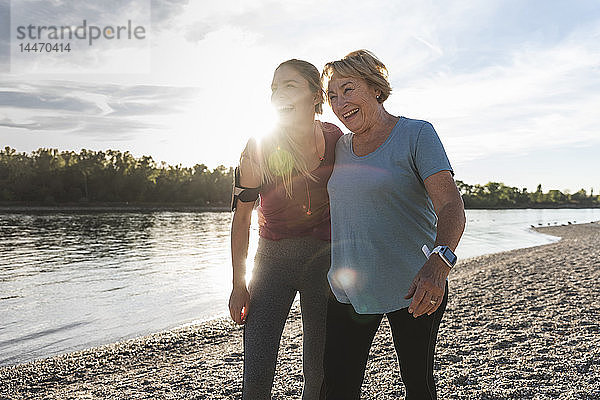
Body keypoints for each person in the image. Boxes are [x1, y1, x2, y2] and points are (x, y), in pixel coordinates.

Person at [320, 50, 466, 400]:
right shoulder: (338, 147)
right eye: (332, 96)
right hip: (347, 289)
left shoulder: (417, 134)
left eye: (348, 89)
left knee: (417, 385)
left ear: (375, 87)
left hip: (414, 287)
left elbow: (450, 205)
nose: (340, 103)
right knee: (337, 387)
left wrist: (438, 264)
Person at [228, 59, 343, 400]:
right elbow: (242, 218)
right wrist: (238, 283)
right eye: (275, 88)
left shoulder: (337, 140)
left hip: (323, 264)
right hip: (271, 265)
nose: (279, 94)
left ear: (315, 94)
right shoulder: (258, 147)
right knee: (257, 372)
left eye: (289, 85)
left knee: (318, 372)